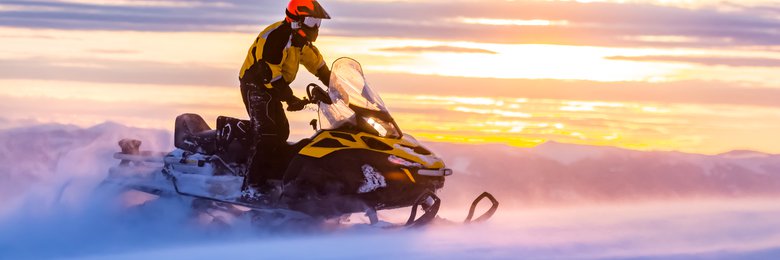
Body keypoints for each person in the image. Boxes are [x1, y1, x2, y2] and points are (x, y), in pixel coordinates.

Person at [238, 0, 331, 194]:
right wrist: (290, 98)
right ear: (296, 20)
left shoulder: (300, 42)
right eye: (312, 22)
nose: (315, 27)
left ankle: (273, 178)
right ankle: (252, 188)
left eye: (318, 23)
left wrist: (337, 86)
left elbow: (318, 66)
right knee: (267, 134)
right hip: (256, 85)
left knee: (282, 132)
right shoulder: (278, 37)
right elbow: (269, 74)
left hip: (272, 88)